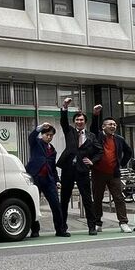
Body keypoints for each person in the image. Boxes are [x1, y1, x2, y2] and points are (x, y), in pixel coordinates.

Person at [58, 98, 102, 233]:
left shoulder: (91, 136)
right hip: (68, 169)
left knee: (87, 199)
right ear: (74, 122)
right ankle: (62, 228)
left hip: (82, 170)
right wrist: (64, 107)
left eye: (81, 120)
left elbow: (100, 151)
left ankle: (91, 227)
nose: (79, 122)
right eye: (77, 120)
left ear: (85, 122)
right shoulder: (69, 131)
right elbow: (63, 122)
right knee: (64, 199)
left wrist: (92, 161)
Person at [89, 106, 133, 233]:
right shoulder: (97, 136)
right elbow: (93, 128)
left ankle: (123, 222)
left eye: (114, 124)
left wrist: (121, 164)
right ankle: (97, 223)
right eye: (110, 124)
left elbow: (128, 151)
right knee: (97, 198)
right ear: (103, 127)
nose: (113, 126)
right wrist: (95, 114)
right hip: (98, 172)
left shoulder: (119, 139)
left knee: (119, 198)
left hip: (114, 173)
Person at [26, 122, 69, 238]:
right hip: (35, 177)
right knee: (34, 204)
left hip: (48, 180)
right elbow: (31, 137)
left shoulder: (53, 150)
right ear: (42, 135)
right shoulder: (36, 143)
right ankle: (35, 230)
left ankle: (60, 230)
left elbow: (53, 167)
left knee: (56, 204)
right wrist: (40, 128)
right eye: (47, 135)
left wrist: (57, 180)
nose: (49, 137)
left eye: (51, 135)